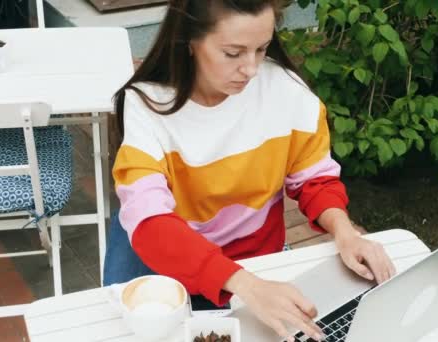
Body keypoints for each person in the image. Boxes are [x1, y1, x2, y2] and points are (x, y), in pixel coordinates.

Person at [104, 0, 397, 340]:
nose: (252, 69)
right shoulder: (147, 106)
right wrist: (246, 286)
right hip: (176, 272)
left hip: (259, 262)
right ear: (190, 41)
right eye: (233, 53)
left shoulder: (286, 91)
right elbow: (150, 222)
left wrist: (345, 232)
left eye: (262, 49)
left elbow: (314, 179)